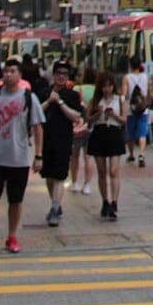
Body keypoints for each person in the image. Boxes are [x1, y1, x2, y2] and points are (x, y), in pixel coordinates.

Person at [0, 59, 44, 255]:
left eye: (12, 71)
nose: (8, 75)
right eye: (6, 71)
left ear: (20, 75)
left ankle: (12, 236)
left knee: (16, 200)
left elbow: (38, 127)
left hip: (19, 158)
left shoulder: (30, 98)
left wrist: (38, 156)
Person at [39, 62, 84, 227]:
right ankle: (55, 204)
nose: (62, 76)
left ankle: (54, 208)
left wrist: (60, 103)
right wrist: (50, 101)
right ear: (53, 75)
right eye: (59, 73)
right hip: (45, 139)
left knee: (59, 175)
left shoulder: (71, 95)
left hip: (63, 139)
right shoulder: (44, 92)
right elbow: (36, 112)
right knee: (49, 175)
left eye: (65, 74)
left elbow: (76, 116)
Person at [86, 71, 126, 220]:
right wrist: (99, 113)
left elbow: (124, 120)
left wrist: (114, 115)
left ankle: (114, 201)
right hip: (99, 133)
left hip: (114, 133)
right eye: (104, 86)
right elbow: (89, 120)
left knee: (113, 170)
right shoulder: (95, 101)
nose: (106, 89)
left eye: (109, 86)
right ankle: (105, 201)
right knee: (101, 170)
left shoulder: (119, 99)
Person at [123, 58, 153, 167]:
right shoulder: (145, 77)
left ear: (130, 65)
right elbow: (149, 92)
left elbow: (125, 94)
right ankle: (141, 154)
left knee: (130, 133)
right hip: (143, 109)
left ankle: (131, 154)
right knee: (142, 133)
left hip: (131, 110)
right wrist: (148, 102)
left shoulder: (127, 77)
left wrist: (123, 102)